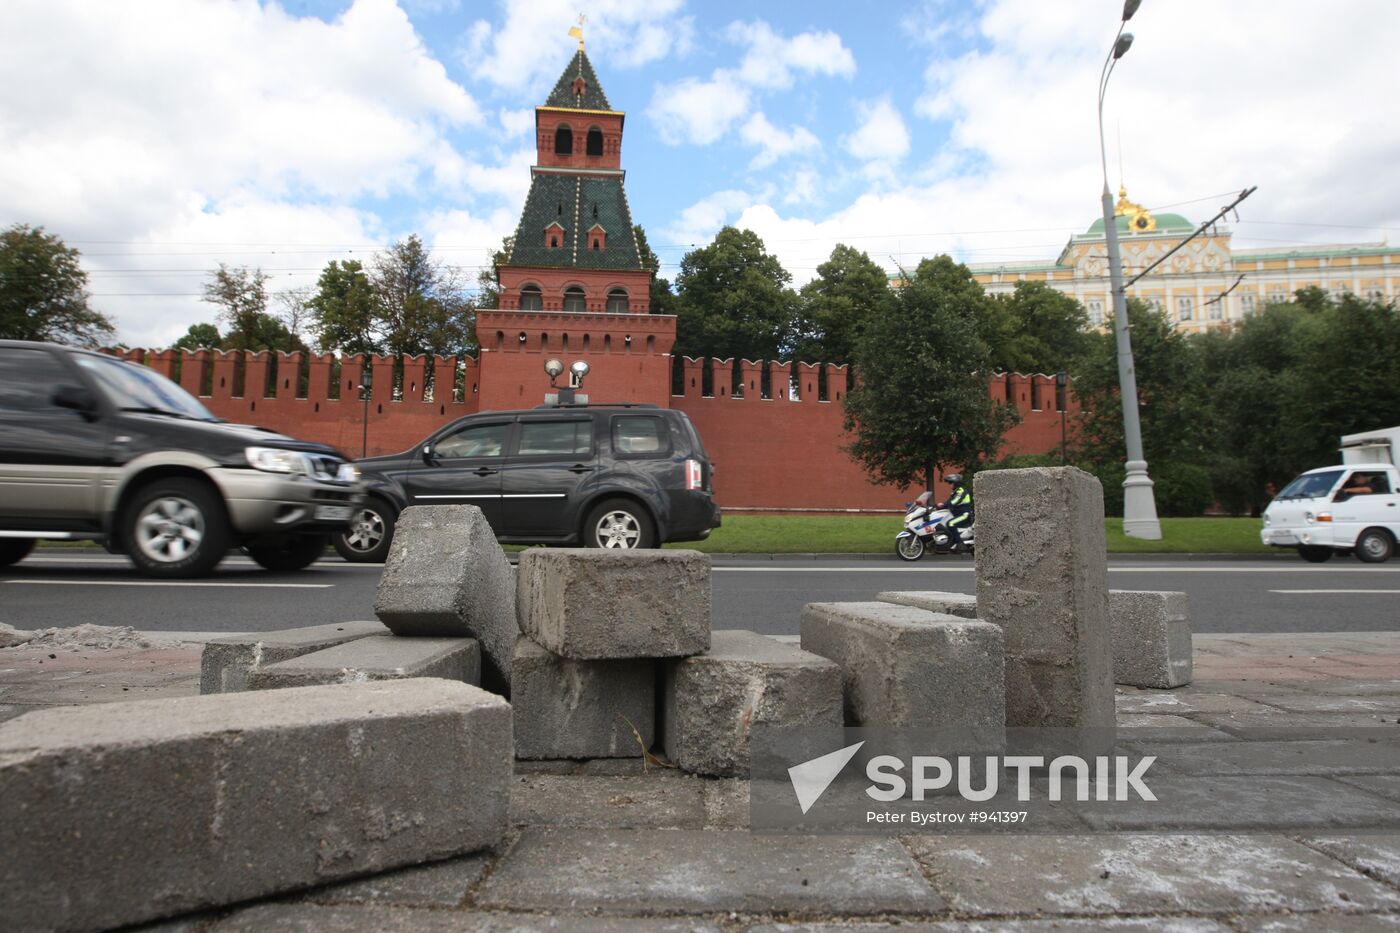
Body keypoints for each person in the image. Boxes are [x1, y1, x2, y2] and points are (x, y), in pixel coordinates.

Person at [941, 473, 973, 550]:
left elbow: (955, 501)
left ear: (956, 483)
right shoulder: (955, 492)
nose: (949, 485)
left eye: (950, 483)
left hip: (965, 514)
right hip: (957, 514)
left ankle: (960, 543)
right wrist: (938, 506)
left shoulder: (961, 490)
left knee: (950, 523)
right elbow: (948, 502)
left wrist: (943, 505)